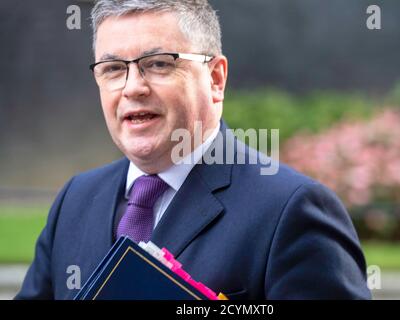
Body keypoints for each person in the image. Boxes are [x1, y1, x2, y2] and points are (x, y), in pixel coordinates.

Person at [16, 0, 371, 300]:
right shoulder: (75, 199)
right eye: (112, 69)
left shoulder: (292, 211)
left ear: (215, 78)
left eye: (158, 64)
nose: (132, 87)